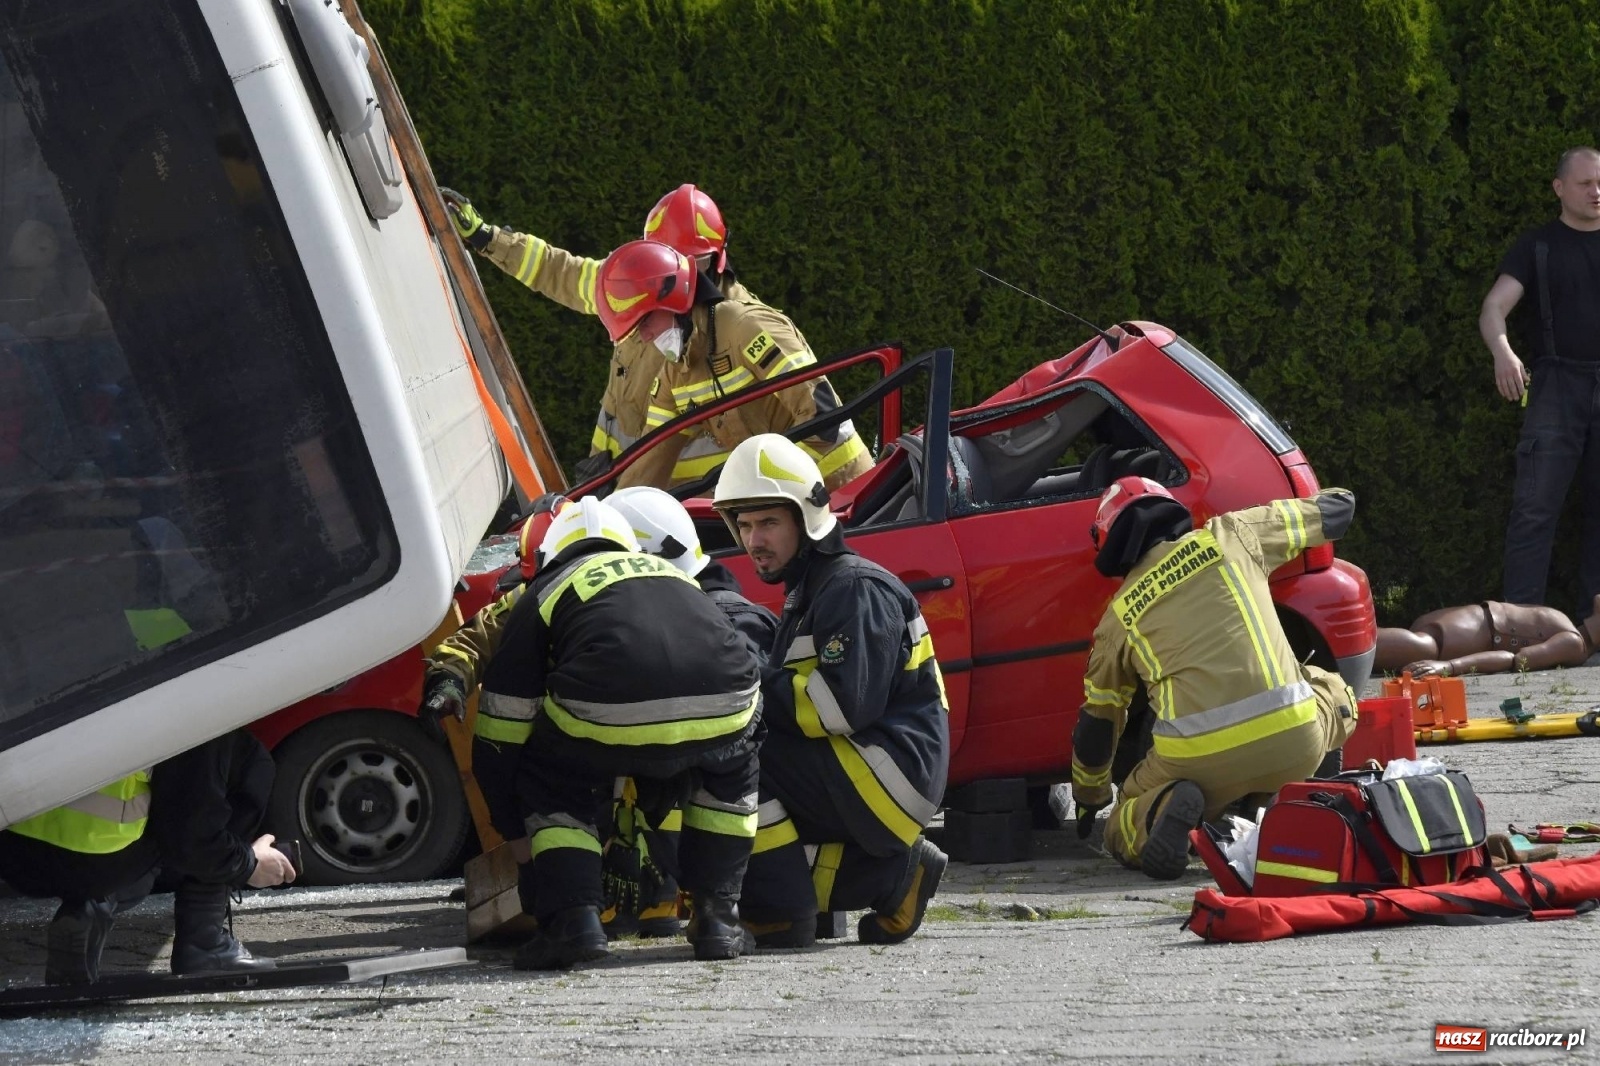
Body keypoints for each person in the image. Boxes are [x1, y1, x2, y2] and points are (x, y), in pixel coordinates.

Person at [440, 498, 762, 969]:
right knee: (730, 770)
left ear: (548, 556)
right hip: (728, 702)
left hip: (606, 706)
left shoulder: (545, 590)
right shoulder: (672, 575)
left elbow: (501, 729)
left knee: (552, 777)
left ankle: (573, 923)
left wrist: (515, 832)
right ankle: (719, 920)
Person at [445, 185, 872, 490]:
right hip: (627, 476)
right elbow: (563, 272)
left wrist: (798, 504)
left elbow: (822, 418)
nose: (674, 277)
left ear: (714, 259)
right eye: (667, 259)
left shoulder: (741, 327)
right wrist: (487, 239)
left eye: (690, 262)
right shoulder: (633, 285)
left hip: (715, 501)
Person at [711, 433, 949, 949]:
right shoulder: (813, 590)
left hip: (888, 775)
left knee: (730, 753)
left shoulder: (852, 588)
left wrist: (743, 674)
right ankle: (892, 879)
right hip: (874, 770)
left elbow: (839, 708)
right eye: (745, 525)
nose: (754, 540)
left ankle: (780, 911)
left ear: (807, 519)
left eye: (769, 523)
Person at [1070, 477, 1361, 880]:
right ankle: (1297, 798)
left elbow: (1098, 725)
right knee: (1331, 689)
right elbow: (1337, 509)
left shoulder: (1117, 618)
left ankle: (1161, 811)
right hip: (1294, 736)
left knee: (1122, 821)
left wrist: (1090, 799)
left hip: (1198, 764)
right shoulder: (1232, 535)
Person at [0, 730, 296, 984]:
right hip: (98, 862)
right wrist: (249, 863)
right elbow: (191, 840)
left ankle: (92, 909)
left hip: (12, 856)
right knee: (247, 765)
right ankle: (203, 943)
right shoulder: (196, 706)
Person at [1479, 146, 1600, 613]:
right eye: (1586, 183)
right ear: (1559, 188)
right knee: (1535, 509)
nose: (1596, 192)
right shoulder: (1537, 246)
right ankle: (1520, 626)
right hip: (1556, 386)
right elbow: (1494, 307)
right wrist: (1503, 353)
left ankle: (1594, 629)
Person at [1374, 595, 1600, 678]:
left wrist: (1450, 665)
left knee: (1420, 643)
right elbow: (1514, 660)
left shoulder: (1562, 620)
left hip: (1468, 620)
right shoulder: (1573, 642)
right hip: (1472, 632)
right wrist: (1450, 667)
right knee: (1426, 647)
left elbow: (1513, 658)